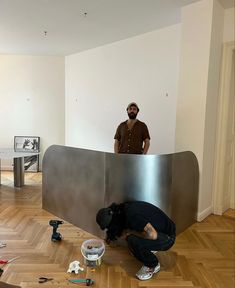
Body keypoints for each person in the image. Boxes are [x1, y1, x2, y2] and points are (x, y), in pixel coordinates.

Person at [96, 201, 176, 281]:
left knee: (132, 240)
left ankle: (152, 265)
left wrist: (131, 233)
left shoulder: (132, 217)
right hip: (162, 230)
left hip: (168, 238)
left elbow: (152, 235)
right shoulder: (124, 209)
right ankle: (149, 247)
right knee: (132, 239)